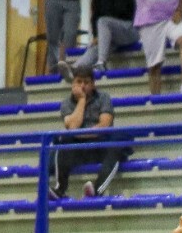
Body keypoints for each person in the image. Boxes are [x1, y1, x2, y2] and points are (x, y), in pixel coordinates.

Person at [49, 68, 126, 200]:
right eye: (79, 82)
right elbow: (72, 126)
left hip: (101, 144)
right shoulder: (66, 103)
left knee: (117, 144)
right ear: (73, 84)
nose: (83, 86)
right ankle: (60, 189)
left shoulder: (104, 98)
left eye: (86, 82)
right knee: (62, 142)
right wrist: (82, 100)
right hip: (78, 148)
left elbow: (104, 125)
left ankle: (96, 191)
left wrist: (79, 134)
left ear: (93, 84)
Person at [74, 0, 138, 75]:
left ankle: (101, 63)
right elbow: (95, 16)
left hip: (128, 30)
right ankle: (75, 68)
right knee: (94, 47)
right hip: (111, 35)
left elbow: (123, 12)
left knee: (103, 21)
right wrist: (96, 36)